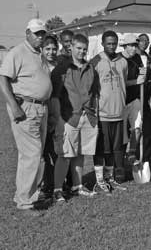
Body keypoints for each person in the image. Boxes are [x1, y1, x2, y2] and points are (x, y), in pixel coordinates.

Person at [0, 19, 52, 215]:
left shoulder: (39, 54)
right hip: (26, 108)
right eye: (36, 33)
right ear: (27, 33)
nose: (40, 36)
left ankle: (22, 195)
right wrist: (14, 106)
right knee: (31, 154)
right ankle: (25, 202)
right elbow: (3, 78)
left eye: (42, 33)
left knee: (31, 155)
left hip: (41, 108)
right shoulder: (18, 52)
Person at [50, 34, 99, 202]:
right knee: (64, 155)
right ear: (71, 47)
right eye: (78, 48)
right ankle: (57, 190)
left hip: (87, 116)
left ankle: (77, 186)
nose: (81, 52)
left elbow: (95, 93)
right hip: (67, 117)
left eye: (84, 49)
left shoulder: (90, 68)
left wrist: (95, 112)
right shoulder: (61, 69)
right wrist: (58, 119)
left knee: (80, 154)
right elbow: (54, 97)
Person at [90, 30, 128, 194]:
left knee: (114, 148)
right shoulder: (96, 61)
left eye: (114, 43)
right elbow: (91, 88)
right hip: (103, 114)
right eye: (109, 43)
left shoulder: (123, 62)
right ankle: (99, 180)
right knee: (101, 149)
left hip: (119, 112)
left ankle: (109, 177)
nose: (112, 46)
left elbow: (124, 81)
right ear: (103, 43)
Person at [120, 34, 151, 176]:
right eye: (130, 45)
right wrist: (136, 81)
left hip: (136, 98)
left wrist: (142, 77)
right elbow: (121, 82)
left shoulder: (138, 59)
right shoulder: (119, 59)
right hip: (122, 100)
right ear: (125, 46)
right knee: (122, 133)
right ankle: (119, 162)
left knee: (137, 128)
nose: (133, 48)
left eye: (135, 45)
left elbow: (143, 77)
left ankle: (132, 153)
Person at [40, 35, 59, 198]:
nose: (51, 52)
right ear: (42, 49)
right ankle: (46, 183)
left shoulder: (59, 66)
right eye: (48, 49)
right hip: (41, 108)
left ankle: (59, 183)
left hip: (57, 108)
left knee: (56, 150)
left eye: (54, 48)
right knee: (42, 151)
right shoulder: (38, 65)